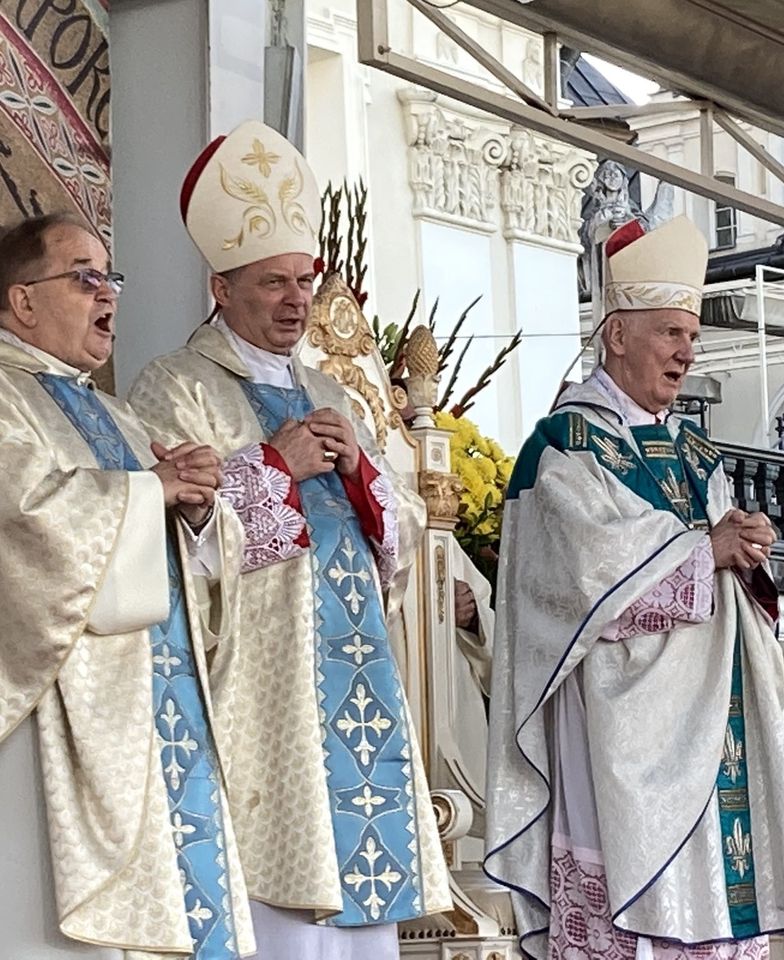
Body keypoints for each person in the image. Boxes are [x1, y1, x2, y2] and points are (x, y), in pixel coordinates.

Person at [127, 120, 451, 959]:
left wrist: (366, 482)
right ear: (220, 285)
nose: (296, 301)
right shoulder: (174, 385)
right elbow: (171, 541)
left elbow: (408, 534)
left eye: (304, 280)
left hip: (359, 685)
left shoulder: (328, 388)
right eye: (273, 283)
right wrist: (273, 467)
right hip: (261, 696)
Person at [485, 215, 784, 959]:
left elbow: (721, 564)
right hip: (619, 728)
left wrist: (744, 550)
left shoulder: (698, 452)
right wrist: (708, 551)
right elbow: (578, 575)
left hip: (712, 713)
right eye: (671, 333)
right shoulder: (564, 446)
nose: (686, 352)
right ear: (617, 336)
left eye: (691, 337)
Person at [0, 213, 255, 958]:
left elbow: (195, 557)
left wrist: (203, 512)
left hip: (155, 706)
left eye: (111, 276)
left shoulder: (116, 413)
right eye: (85, 276)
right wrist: (148, 494)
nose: (108, 293)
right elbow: (26, 524)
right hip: (59, 717)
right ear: (22, 302)